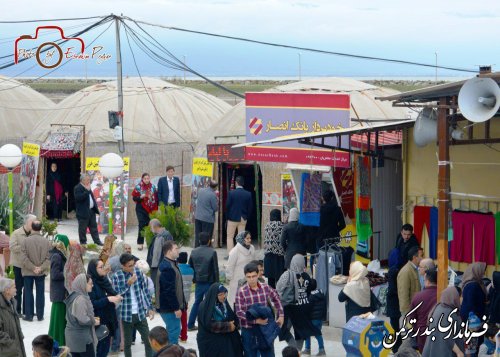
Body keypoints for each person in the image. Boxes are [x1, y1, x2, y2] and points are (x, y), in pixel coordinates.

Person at [235, 262, 284, 357]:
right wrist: (256, 321)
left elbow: (277, 298)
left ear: (258, 275)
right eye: (248, 277)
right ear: (245, 276)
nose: (251, 279)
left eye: (253, 276)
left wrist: (281, 315)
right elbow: (239, 312)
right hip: (248, 330)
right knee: (250, 355)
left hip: (265, 328)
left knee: (269, 354)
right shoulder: (241, 291)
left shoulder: (265, 287)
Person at [111, 253, 155, 357]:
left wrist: (150, 307)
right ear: (123, 266)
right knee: (127, 344)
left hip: (140, 313)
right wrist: (128, 284)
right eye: (129, 266)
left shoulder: (138, 272)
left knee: (148, 340)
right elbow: (117, 295)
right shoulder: (117, 276)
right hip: (127, 315)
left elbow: (145, 291)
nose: (132, 267)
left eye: (133, 264)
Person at [277, 254, 319, 352]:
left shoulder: (288, 274)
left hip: (289, 307)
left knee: (283, 329)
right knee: (300, 331)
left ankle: (294, 349)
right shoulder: (306, 276)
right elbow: (309, 291)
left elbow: (279, 289)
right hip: (303, 307)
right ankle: (298, 351)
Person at [87, 259, 123, 357]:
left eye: (104, 266)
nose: (104, 269)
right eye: (101, 267)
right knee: (100, 350)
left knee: (105, 348)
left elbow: (111, 291)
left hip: (108, 318)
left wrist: (116, 297)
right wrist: (108, 299)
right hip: (99, 321)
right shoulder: (90, 283)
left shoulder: (103, 279)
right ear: (94, 269)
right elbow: (92, 303)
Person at [196, 283, 243, 357]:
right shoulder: (205, 306)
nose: (223, 296)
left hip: (225, 342)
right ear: (214, 295)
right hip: (211, 343)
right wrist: (228, 326)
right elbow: (209, 324)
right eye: (220, 294)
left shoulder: (223, 304)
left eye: (224, 293)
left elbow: (232, 318)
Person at [20, 219, 51, 322]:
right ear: (41, 228)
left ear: (31, 228)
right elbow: (48, 259)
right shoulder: (46, 242)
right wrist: (40, 268)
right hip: (41, 272)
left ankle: (28, 316)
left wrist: (33, 268)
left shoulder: (25, 241)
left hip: (28, 271)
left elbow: (23, 258)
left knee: (28, 292)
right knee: (40, 293)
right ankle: (40, 315)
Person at [188, 231, 219, 331]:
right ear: (209, 240)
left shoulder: (194, 251)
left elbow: (191, 267)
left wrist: (194, 279)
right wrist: (217, 283)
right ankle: (208, 324)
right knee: (210, 303)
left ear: (199, 240)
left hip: (198, 281)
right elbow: (215, 269)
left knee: (197, 302)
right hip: (209, 281)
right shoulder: (212, 252)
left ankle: (190, 324)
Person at [157, 241, 186, 345]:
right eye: (176, 249)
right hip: (169, 308)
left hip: (169, 307)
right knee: (173, 334)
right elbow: (168, 290)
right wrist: (176, 308)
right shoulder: (167, 267)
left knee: (172, 332)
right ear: (169, 251)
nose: (178, 250)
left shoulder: (171, 264)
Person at [422, 286, 465, 357]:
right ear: (455, 297)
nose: (462, 299)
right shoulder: (448, 313)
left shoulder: (440, 307)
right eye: (460, 296)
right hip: (443, 351)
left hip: (435, 349)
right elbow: (446, 336)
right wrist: (459, 352)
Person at [65, 273, 99, 357]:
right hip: (81, 339)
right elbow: (82, 320)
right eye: (90, 283)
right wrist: (93, 321)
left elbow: (77, 315)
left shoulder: (74, 295)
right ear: (83, 284)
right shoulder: (80, 299)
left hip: (73, 337)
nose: (92, 285)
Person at [9, 213, 36, 315]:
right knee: (18, 289)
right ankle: (17, 311)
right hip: (18, 265)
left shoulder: (35, 233)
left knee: (28, 289)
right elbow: (12, 247)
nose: (34, 224)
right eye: (33, 222)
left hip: (29, 266)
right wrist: (25, 248)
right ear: (28, 222)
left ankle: (27, 311)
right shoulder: (16, 233)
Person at [407, 267, 438, 353]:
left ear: (427, 281)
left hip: (423, 334)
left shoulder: (417, 296)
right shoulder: (443, 295)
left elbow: (412, 319)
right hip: (440, 334)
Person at [49, 234, 70, 345]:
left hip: (60, 294)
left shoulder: (58, 254)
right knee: (58, 322)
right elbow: (54, 275)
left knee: (60, 321)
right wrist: (68, 273)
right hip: (59, 295)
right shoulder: (57, 256)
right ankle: (57, 343)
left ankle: (60, 342)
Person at [226, 231, 256, 306]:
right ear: (242, 239)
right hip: (236, 280)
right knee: (236, 301)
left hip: (249, 279)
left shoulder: (252, 248)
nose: (249, 240)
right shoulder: (234, 251)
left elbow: (254, 262)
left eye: (250, 238)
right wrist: (229, 277)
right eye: (247, 238)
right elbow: (230, 266)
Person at [225, 176, 253, 255]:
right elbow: (250, 207)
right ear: (243, 183)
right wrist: (247, 216)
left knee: (230, 237)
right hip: (243, 218)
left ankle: (231, 254)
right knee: (241, 237)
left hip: (232, 218)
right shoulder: (248, 194)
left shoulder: (231, 193)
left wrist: (227, 217)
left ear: (236, 183)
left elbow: (227, 206)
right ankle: (240, 253)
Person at [74, 173, 103, 246]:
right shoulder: (78, 187)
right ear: (82, 180)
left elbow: (91, 198)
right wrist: (87, 191)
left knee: (94, 228)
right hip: (83, 212)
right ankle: (83, 243)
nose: (89, 181)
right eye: (87, 180)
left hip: (91, 211)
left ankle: (97, 241)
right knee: (82, 229)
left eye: (89, 180)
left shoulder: (88, 187)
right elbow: (78, 198)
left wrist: (95, 208)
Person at [0, 277, 26, 357]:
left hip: (16, 346)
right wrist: (11, 344)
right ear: (7, 290)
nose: (16, 288)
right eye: (14, 287)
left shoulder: (12, 303)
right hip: (6, 350)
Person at [132, 173, 158, 251]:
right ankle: (140, 243)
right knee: (142, 225)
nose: (146, 180)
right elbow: (134, 198)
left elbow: (156, 198)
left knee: (150, 225)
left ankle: (150, 242)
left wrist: (152, 199)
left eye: (148, 178)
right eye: (145, 179)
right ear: (142, 179)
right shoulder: (138, 187)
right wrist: (141, 197)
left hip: (151, 209)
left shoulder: (153, 187)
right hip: (141, 209)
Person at [397, 246, 422, 316]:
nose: (422, 258)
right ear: (415, 258)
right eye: (421, 256)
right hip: (409, 311)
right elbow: (403, 294)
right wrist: (407, 312)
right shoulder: (406, 271)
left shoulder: (415, 269)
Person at [146, 219, 173, 286]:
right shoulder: (157, 236)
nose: (150, 229)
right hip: (155, 266)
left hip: (160, 267)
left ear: (154, 226)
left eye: (150, 227)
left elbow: (168, 252)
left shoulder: (165, 235)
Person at [303, 279, 326, 356]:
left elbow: (308, 309)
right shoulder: (321, 293)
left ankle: (309, 349)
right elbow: (324, 306)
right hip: (319, 318)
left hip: (312, 319)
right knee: (317, 333)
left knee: (309, 333)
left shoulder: (311, 296)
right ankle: (313, 349)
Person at [385, 247, 402, 353]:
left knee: (395, 326)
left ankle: (396, 347)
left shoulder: (392, 271)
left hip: (394, 302)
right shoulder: (402, 268)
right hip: (400, 301)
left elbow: (392, 289)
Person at [263, 209, 285, 289]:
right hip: (279, 256)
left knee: (270, 280)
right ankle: (279, 297)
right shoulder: (282, 225)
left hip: (268, 256)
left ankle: (271, 297)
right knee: (279, 278)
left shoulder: (267, 225)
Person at [194, 180, 218, 247]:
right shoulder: (213, 195)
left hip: (198, 217)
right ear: (216, 187)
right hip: (207, 219)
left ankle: (197, 250)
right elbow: (215, 208)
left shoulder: (201, 190)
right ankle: (206, 252)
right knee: (207, 237)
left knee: (198, 236)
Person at [178, 252, 193, 343]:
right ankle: (184, 336)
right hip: (186, 297)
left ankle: (177, 334)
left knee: (176, 318)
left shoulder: (177, 269)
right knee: (184, 317)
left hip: (178, 297)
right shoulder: (191, 270)